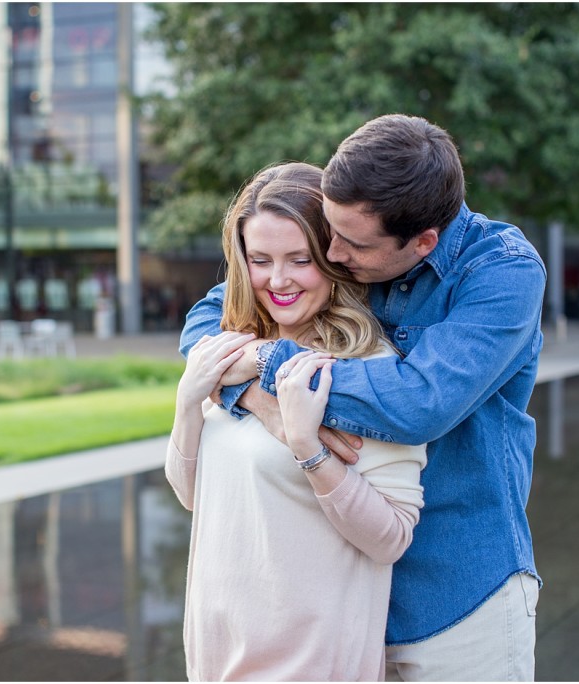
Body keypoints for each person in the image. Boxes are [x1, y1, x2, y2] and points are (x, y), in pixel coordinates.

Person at [180, 114, 546, 681]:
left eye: (347, 243)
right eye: (326, 230)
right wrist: (260, 402)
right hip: (343, 599)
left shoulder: (501, 273)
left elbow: (419, 404)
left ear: (423, 241)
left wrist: (273, 363)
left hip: (455, 590)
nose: (330, 251)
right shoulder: (358, 233)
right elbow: (208, 320)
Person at [166, 161, 428, 681]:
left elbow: (391, 539)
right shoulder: (231, 353)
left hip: (313, 662)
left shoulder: (367, 371)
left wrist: (310, 450)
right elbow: (194, 495)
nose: (277, 280)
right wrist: (187, 401)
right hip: (219, 656)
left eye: (299, 259)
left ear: (332, 256)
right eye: (260, 259)